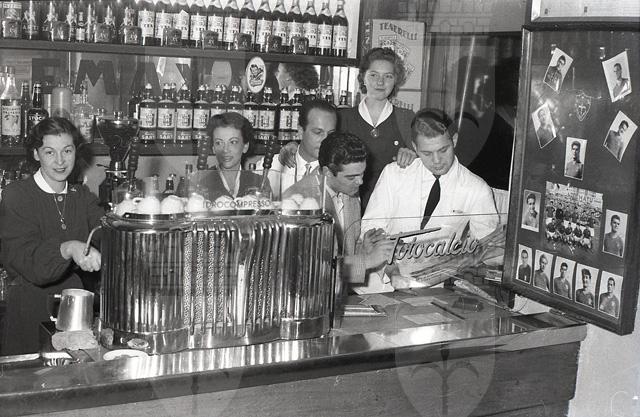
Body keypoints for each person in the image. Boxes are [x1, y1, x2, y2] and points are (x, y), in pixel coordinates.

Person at [360, 109, 499, 291]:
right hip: (377, 284)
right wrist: (392, 270)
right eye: (427, 153)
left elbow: (487, 248)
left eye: (443, 150)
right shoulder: (394, 174)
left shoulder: (476, 189)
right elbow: (371, 228)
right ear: (415, 147)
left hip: (431, 288)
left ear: (454, 140)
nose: (437, 160)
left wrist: (460, 260)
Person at [0, 117, 104, 355]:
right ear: (36, 154)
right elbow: (31, 263)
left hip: (76, 317)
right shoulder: (17, 195)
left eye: (67, 151)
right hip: (29, 316)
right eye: (49, 152)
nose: (60, 161)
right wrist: (69, 248)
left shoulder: (81, 196)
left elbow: (107, 232)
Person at [282, 132, 395, 291]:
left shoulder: (347, 189)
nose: (360, 181)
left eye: (362, 173)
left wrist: (363, 250)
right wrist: (368, 260)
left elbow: (342, 253)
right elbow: (313, 271)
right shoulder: (301, 203)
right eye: (352, 177)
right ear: (327, 172)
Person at [338, 47, 416, 210]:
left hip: (393, 207)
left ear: (395, 80)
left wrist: (413, 156)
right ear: (363, 77)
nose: (380, 82)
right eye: (373, 75)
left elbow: (425, 163)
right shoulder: (342, 118)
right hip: (349, 206)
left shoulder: (406, 118)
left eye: (388, 76)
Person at [256, 100, 337, 199]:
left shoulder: (337, 171)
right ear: (300, 131)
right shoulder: (273, 165)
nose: (325, 140)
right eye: (318, 132)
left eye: (331, 134)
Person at [193, 112, 271, 202]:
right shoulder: (199, 182)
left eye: (233, 142)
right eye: (219, 143)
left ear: (245, 146)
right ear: (213, 148)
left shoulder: (259, 182)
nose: (225, 150)